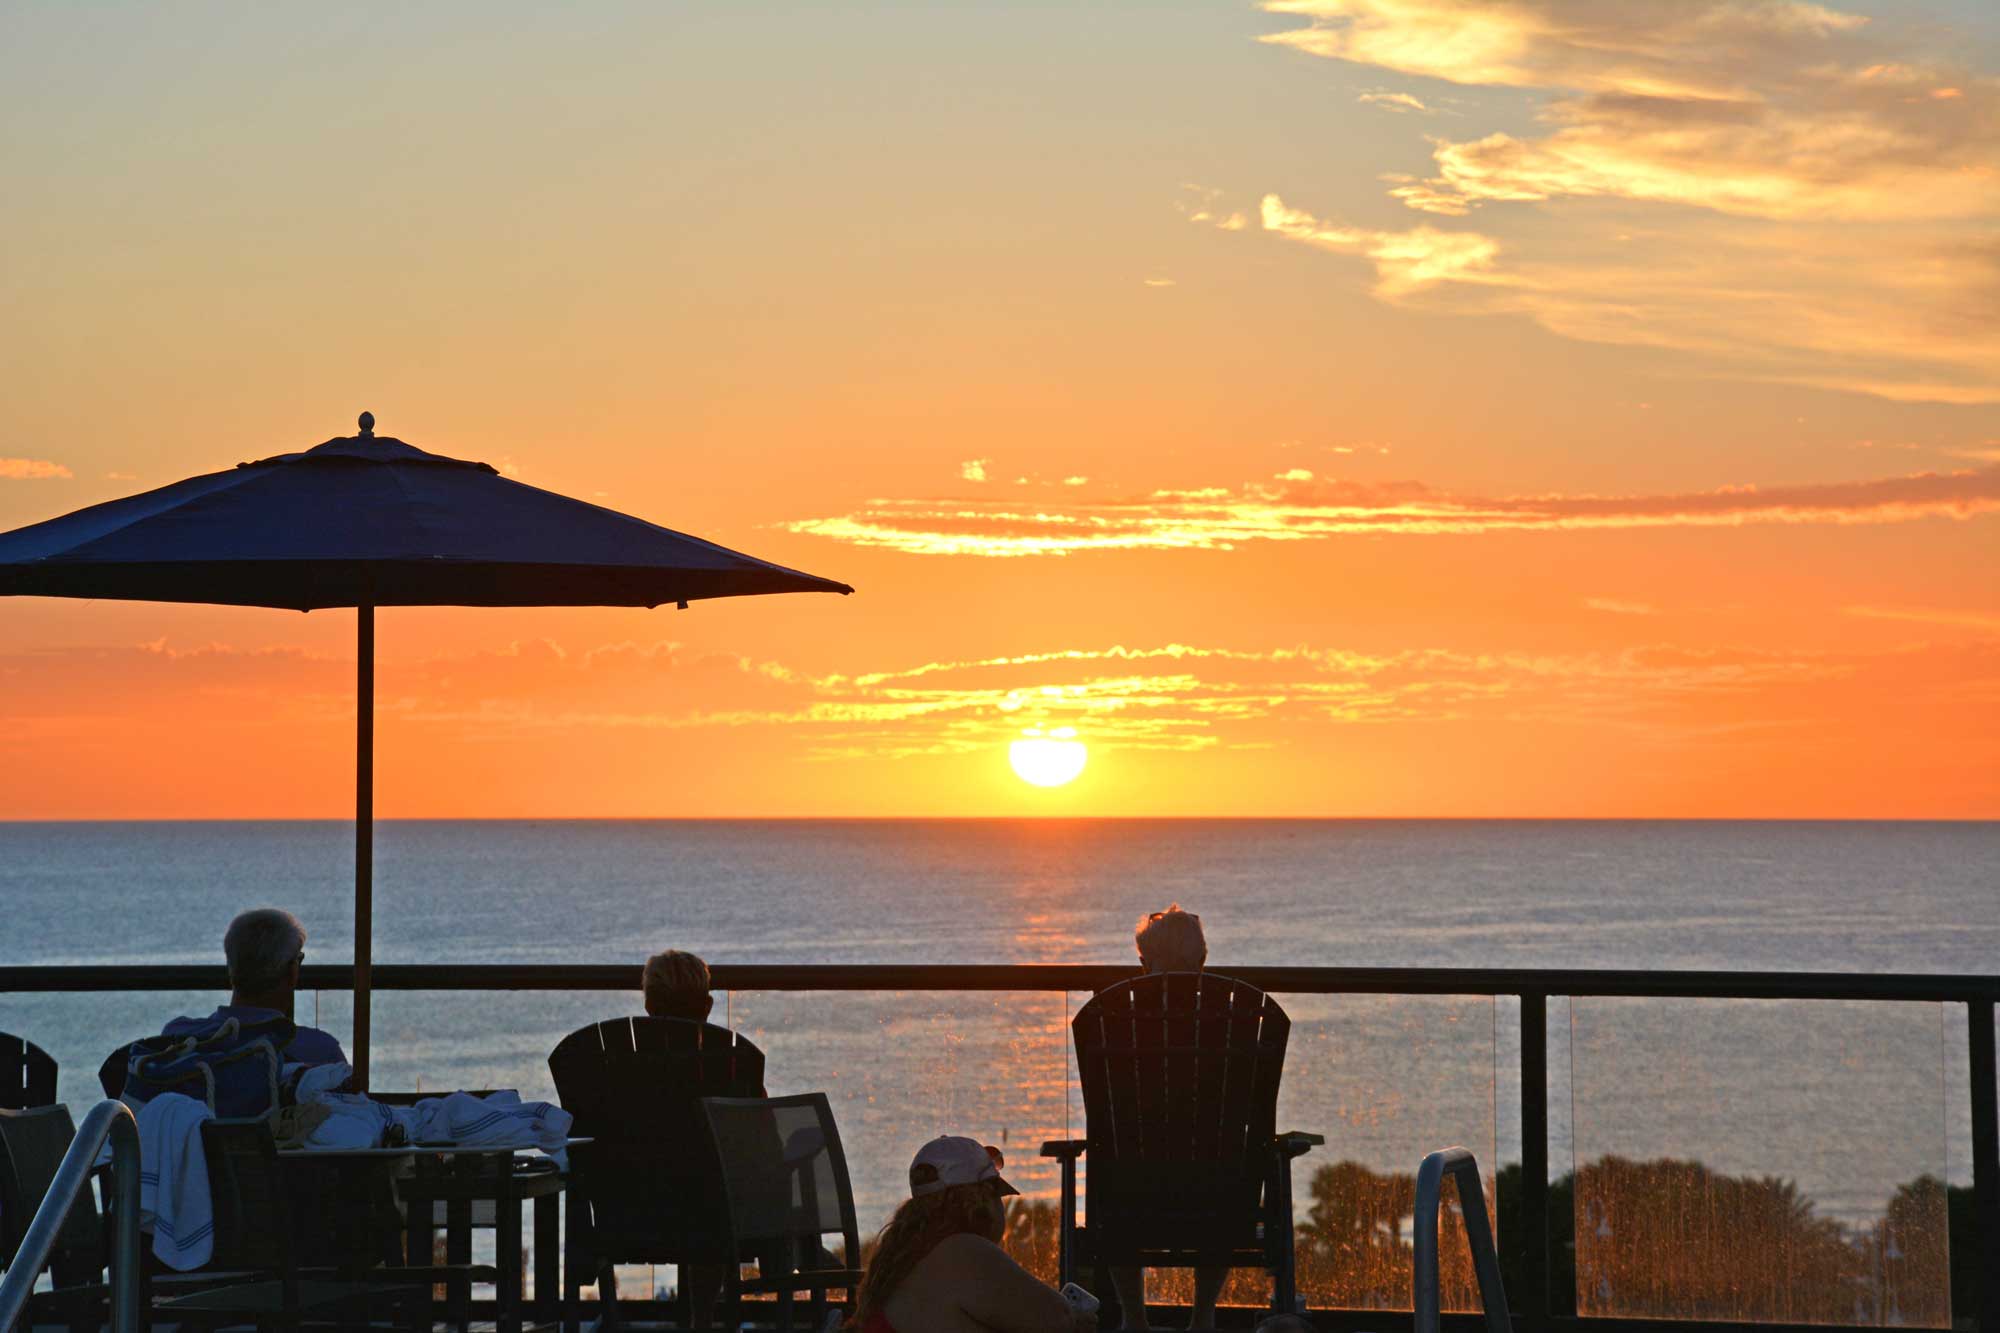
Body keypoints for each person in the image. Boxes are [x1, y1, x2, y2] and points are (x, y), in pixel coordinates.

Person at [854, 1136, 1094, 1333]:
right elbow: (1058, 1318)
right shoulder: (962, 1251)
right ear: (980, 1199)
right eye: (997, 1194)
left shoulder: (907, 1257)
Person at [1114, 905, 1218, 1331]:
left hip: (1131, 1200)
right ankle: (1204, 1318)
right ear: (1202, 964)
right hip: (1218, 1198)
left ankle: (1133, 1319)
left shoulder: (1117, 1024)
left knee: (1114, 1178)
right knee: (1224, 1177)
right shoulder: (1231, 1023)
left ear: (1142, 966)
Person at [163, 908, 346, 1067]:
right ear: (292, 972)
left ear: (231, 967)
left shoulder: (178, 1037)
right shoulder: (319, 1052)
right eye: (299, 959)